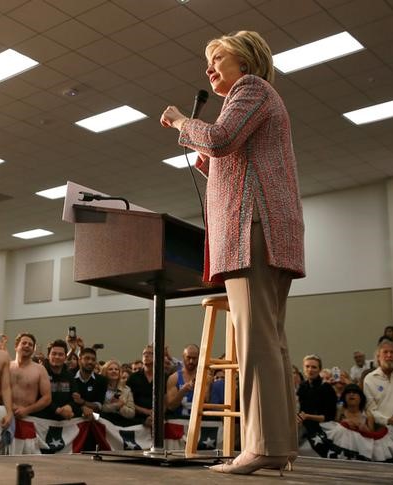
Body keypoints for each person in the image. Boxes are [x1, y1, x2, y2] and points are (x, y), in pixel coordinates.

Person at [161, 30, 304, 475]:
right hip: (266, 226)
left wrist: (185, 122)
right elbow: (231, 159)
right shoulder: (257, 98)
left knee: (256, 340)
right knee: (270, 340)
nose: (209, 69)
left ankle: (261, 446)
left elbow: (221, 140)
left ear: (244, 60)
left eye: (217, 58)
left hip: (252, 228)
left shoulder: (251, 89)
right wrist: (205, 153)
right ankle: (278, 444)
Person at [33, 339, 80, 420]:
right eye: (54, 354)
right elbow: (37, 397)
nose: (57, 357)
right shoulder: (39, 373)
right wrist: (57, 410)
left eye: (61, 354)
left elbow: (75, 397)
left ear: (65, 356)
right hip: (42, 420)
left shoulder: (70, 375)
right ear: (48, 356)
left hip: (64, 421)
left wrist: (69, 406)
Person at [9, 333, 51, 419]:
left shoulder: (40, 369)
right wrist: (9, 405)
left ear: (33, 349)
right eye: (24, 343)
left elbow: (47, 398)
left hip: (28, 418)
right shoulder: (6, 367)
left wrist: (27, 410)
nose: (27, 346)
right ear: (16, 346)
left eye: (30, 344)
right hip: (6, 414)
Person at [296, 355, 336, 431]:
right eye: (307, 366)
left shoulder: (327, 388)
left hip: (323, 428)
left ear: (319, 370)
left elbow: (329, 416)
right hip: (303, 426)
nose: (310, 370)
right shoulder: (302, 386)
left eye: (314, 367)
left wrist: (308, 416)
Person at [72, 347, 107, 420]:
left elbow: (98, 406)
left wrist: (82, 402)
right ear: (79, 361)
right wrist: (82, 408)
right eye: (87, 358)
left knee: (102, 419)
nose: (90, 362)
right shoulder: (70, 376)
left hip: (94, 416)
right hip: (73, 414)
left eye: (93, 359)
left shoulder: (102, 380)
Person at [166, 344, 200, 418]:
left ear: (199, 358)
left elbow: (208, 402)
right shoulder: (174, 378)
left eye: (194, 358)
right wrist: (182, 391)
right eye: (188, 357)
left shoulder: (204, 377)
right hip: (179, 422)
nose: (191, 361)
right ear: (183, 357)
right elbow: (171, 406)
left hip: (199, 422)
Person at [100, 359, 136, 426]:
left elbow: (132, 413)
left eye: (116, 369)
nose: (114, 371)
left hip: (121, 423)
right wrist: (116, 405)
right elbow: (98, 408)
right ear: (105, 372)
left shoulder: (126, 389)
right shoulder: (100, 387)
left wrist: (120, 407)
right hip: (103, 422)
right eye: (110, 369)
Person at [126, 345, 155, 425]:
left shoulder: (163, 376)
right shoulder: (133, 377)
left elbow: (166, 400)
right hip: (137, 419)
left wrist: (156, 414)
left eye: (150, 353)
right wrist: (146, 411)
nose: (146, 355)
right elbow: (127, 401)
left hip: (158, 417)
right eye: (144, 353)